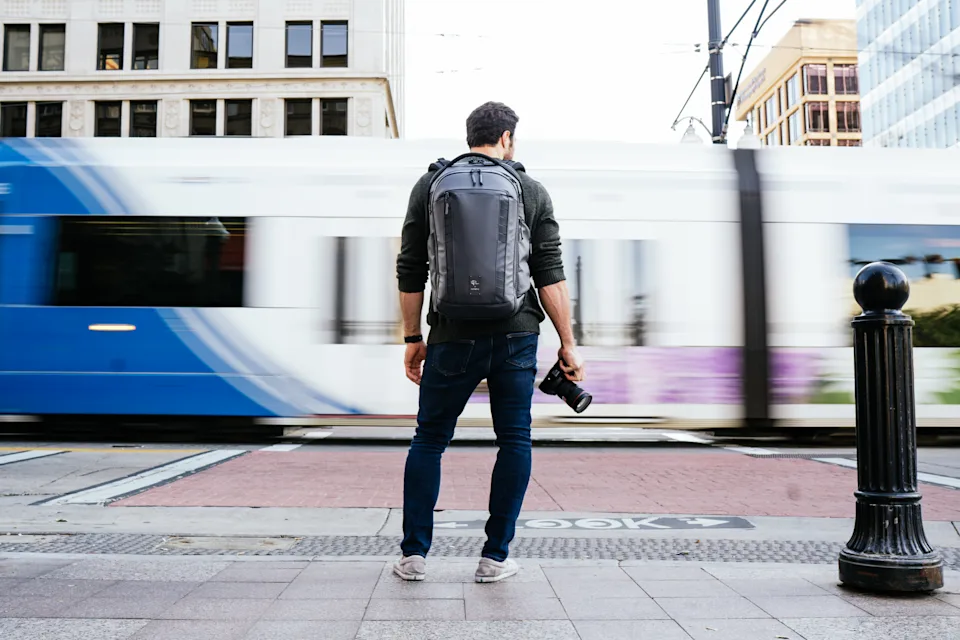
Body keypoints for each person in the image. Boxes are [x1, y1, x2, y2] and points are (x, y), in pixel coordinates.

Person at [394, 101, 585, 583]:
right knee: (514, 440)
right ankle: (494, 558)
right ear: (506, 139)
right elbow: (550, 275)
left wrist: (414, 336)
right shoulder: (529, 189)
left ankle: (414, 556)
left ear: (470, 137)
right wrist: (568, 343)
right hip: (516, 335)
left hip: (451, 335)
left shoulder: (430, 185)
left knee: (430, 440)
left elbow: (411, 267)